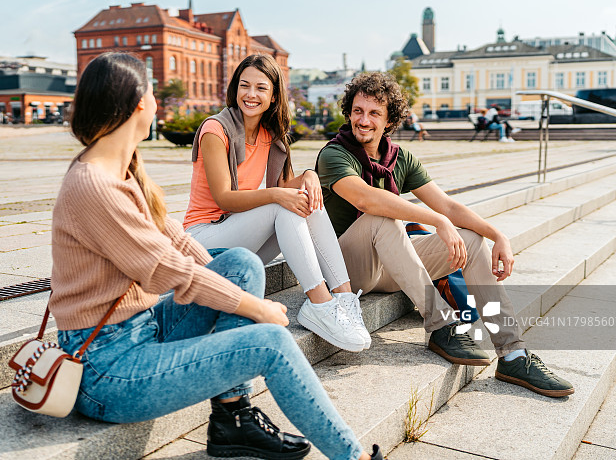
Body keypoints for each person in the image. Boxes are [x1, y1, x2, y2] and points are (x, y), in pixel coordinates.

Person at [51, 52, 386, 460]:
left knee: (242, 265)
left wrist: (229, 288)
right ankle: (354, 457)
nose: (158, 102)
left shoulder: (121, 170)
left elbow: (177, 241)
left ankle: (232, 420)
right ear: (141, 104)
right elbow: (168, 270)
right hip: (106, 371)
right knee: (272, 342)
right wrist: (253, 308)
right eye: (155, 94)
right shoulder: (95, 185)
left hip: (141, 332)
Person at [316, 71, 574, 398]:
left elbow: (448, 206)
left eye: (373, 113)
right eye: (357, 111)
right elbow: (365, 199)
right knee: (384, 217)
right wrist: (436, 221)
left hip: (389, 264)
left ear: (389, 120)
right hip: (347, 268)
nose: (363, 120)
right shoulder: (334, 153)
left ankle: (512, 353)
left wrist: (499, 235)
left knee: (472, 239)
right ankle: (441, 325)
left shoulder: (400, 158)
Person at [184, 54, 371, 353]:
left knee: (306, 200)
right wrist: (276, 195)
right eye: (244, 86)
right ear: (235, 89)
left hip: (238, 238)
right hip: (202, 240)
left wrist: (309, 176)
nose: (251, 94)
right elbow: (224, 198)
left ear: (273, 96)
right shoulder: (215, 130)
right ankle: (320, 305)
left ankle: (345, 299)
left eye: (260, 88)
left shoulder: (272, 134)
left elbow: (285, 186)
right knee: (282, 204)